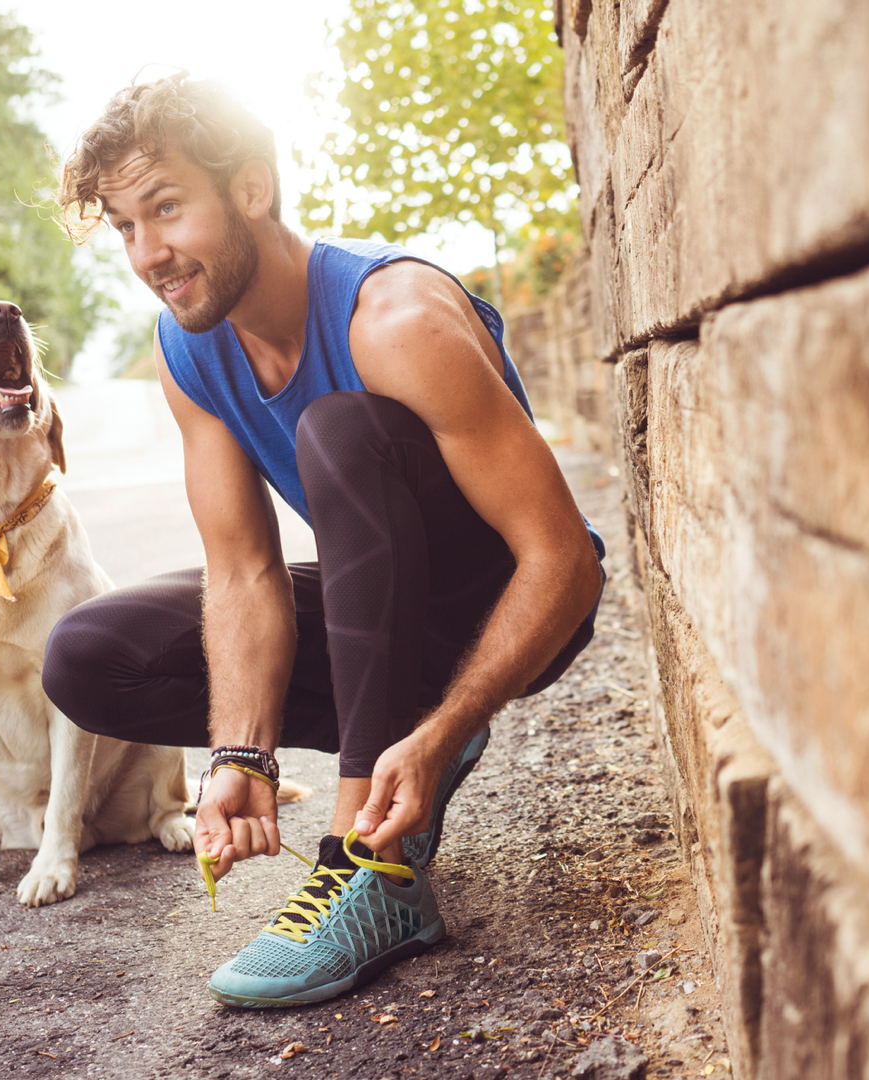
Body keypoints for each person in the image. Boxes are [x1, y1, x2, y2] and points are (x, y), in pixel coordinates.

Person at [41, 72, 605, 1008]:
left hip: (506, 605)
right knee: (91, 658)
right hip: (381, 608)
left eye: (167, 208)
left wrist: (450, 723)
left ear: (251, 189)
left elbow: (566, 562)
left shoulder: (395, 318)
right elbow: (245, 572)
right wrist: (241, 755)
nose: (148, 252)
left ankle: (369, 868)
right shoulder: (188, 349)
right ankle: (396, 744)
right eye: (126, 226)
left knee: (338, 431)